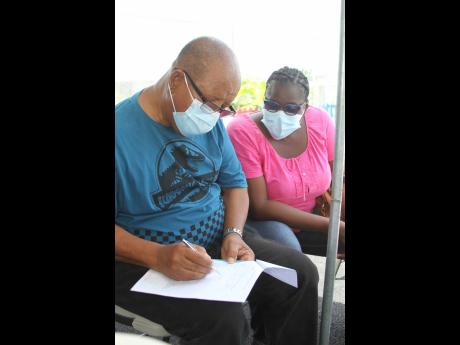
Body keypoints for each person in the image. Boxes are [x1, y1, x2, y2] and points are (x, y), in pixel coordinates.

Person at [115, 37, 319, 345]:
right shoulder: (121, 132)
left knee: (296, 275)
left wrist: (233, 233)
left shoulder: (209, 124)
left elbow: (235, 185)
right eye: (210, 104)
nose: (215, 115)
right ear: (176, 80)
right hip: (140, 258)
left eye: (225, 107)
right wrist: (155, 255)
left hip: (217, 243)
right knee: (223, 320)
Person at [227, 67, 345, 258]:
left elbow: (340, 175)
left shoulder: (319, 120)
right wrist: (332, 226)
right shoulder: (242, 132)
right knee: (292, 254)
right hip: (266, 222)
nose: (280, 114)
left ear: (305, 107)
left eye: (291, 109)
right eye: (272, 105)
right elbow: (260, 206)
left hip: (315, 217)